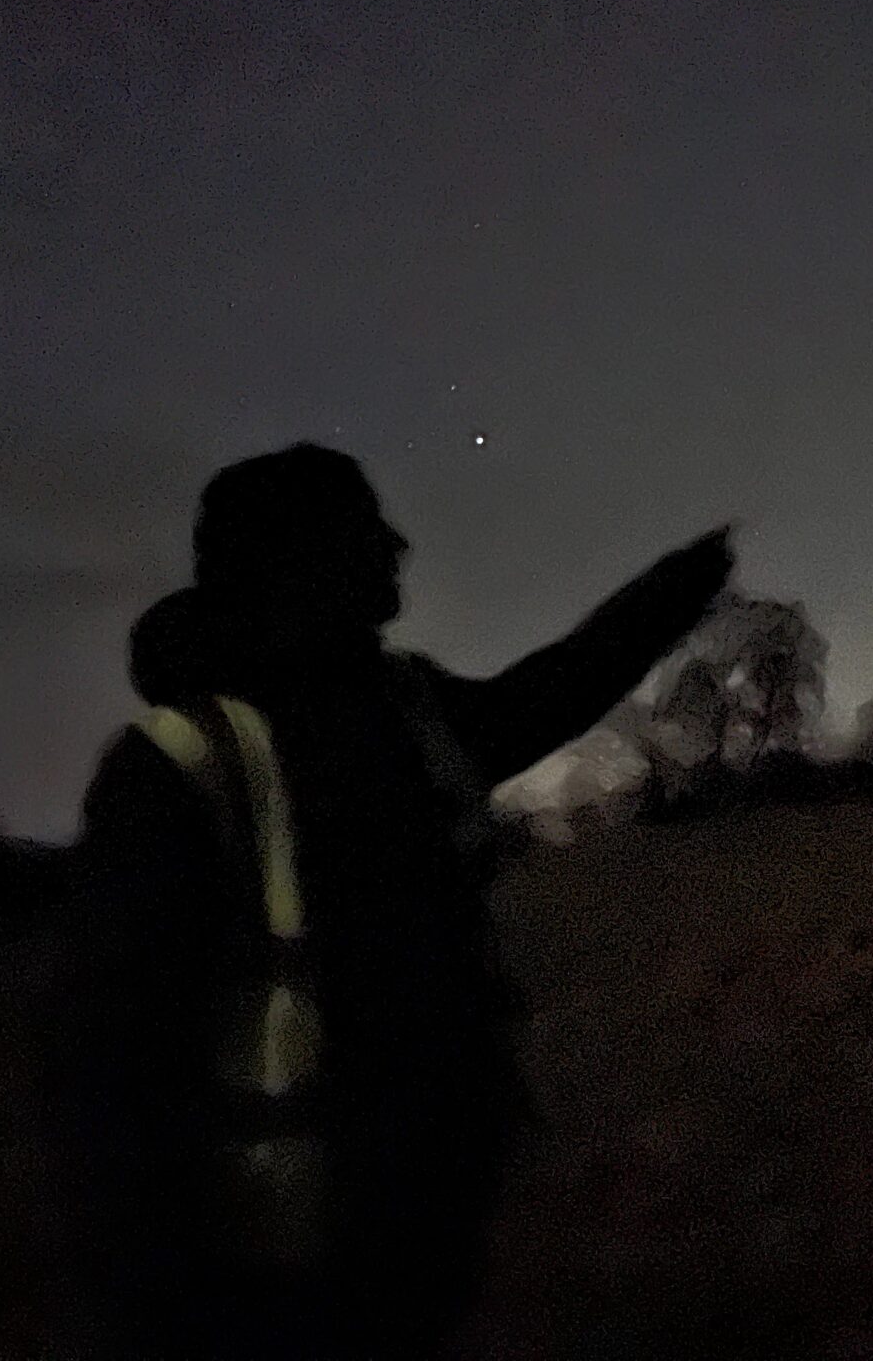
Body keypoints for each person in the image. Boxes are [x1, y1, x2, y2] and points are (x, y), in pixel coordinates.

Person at [55, 443, 735, 1357]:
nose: (399, 544)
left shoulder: (401, 704)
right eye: (369, 526)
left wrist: (676, 586)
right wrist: (159, 1287)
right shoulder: (177, 763)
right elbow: (107, 1061)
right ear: (304, 554)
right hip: (262, 1249)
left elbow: (546, 694)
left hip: (409, 1205)